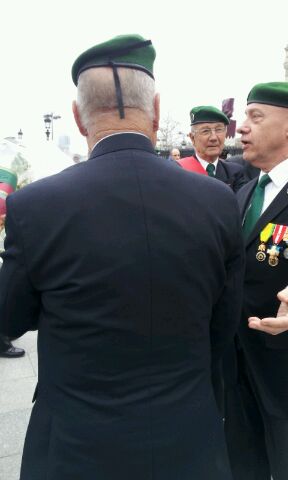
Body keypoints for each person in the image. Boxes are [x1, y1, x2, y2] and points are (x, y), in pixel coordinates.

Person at [0, 34, 244, 480]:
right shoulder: (218, 202)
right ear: (155, 111)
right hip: (187, 437)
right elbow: (223, 325)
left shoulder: (34, 206)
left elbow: (9, 318)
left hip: (77, 446)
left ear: (77, 117)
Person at [224, 82, 288, 480]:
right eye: (243, 116)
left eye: (255, 117)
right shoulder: (244, 192)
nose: (241, 128)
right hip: (239, 364)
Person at [178, 105, 246, 192]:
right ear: (192, 138)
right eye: (205, 131)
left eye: (218, 130)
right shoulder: (179, 171)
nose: (213, 138)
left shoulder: (235, 173)